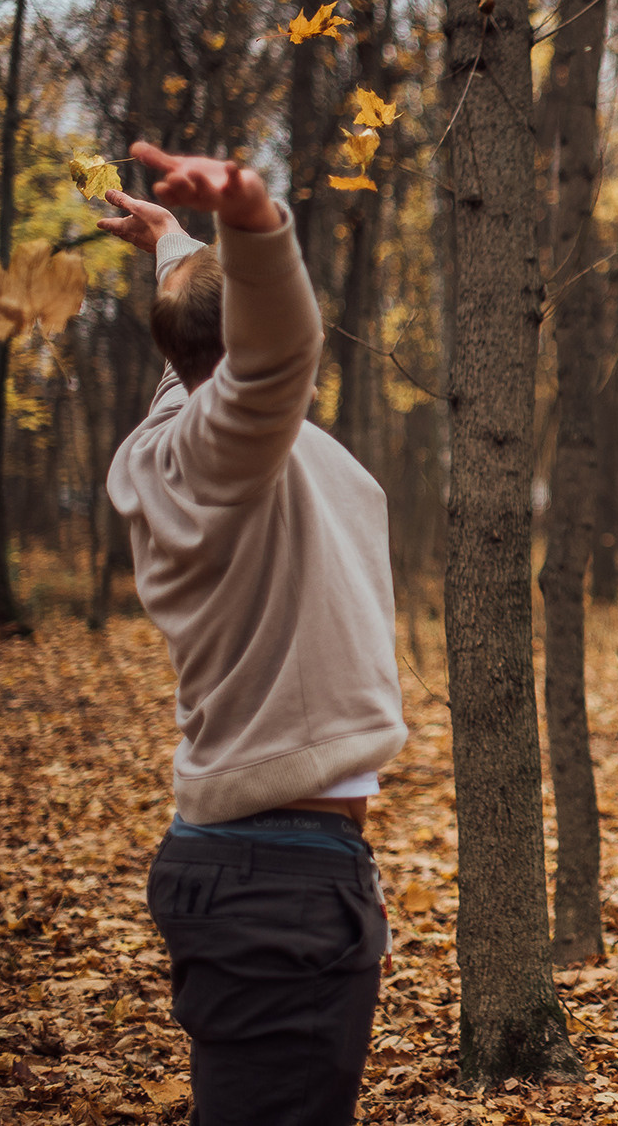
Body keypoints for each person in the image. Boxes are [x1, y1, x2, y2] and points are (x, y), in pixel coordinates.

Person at [101, 143, 408, 1126]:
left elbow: (195, 343)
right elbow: (264, 349)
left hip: (256, 866)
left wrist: (174, 246)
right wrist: (257, 228)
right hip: (277, 883)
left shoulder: (168, 439)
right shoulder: (232, 452)